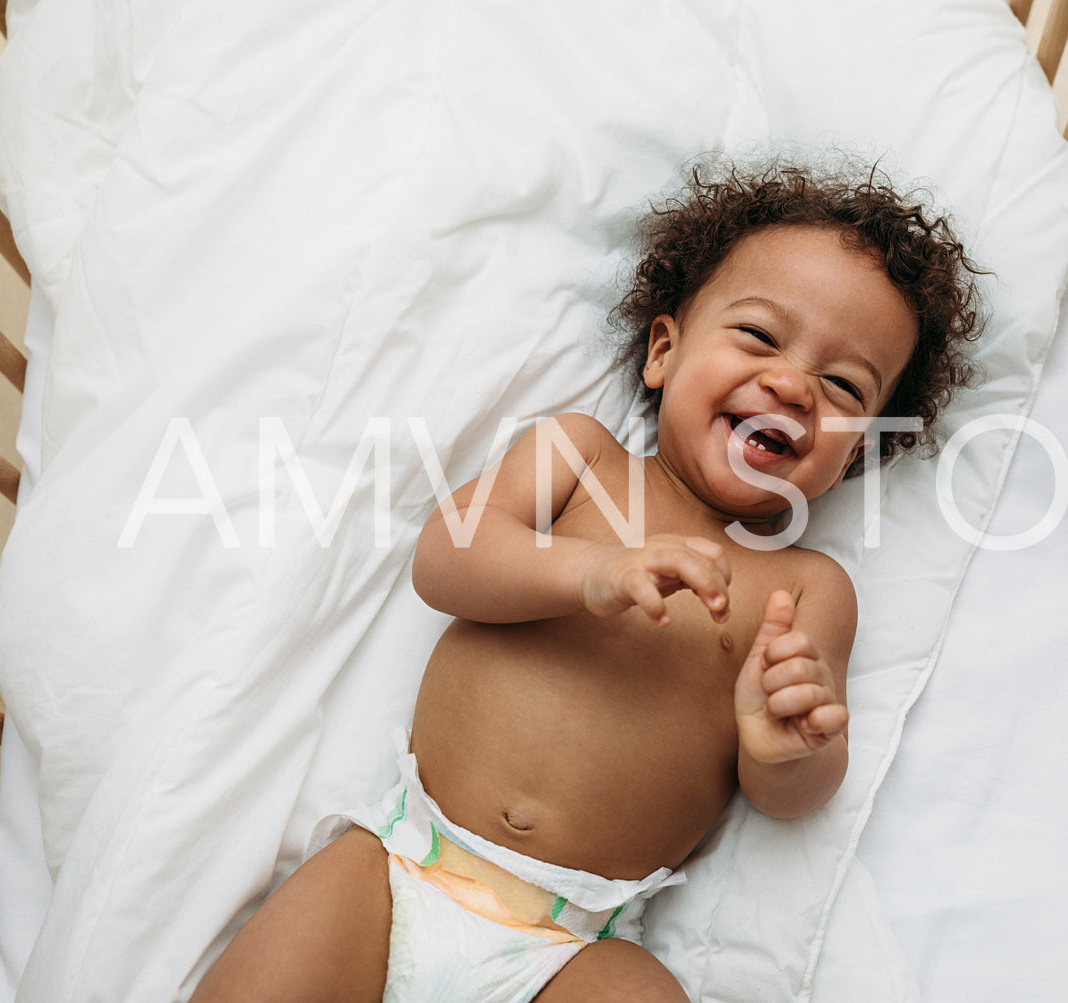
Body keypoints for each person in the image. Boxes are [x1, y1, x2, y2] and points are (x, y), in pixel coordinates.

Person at [192, 160, 984, 1003]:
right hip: (397, 864)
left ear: (855, 452)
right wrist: (590, 571)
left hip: (575, 943)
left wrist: (785, 746)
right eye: (758, 336)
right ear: (662, 352)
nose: (789, 383)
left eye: (840, 386)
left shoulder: (807, 586)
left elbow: (793, 794)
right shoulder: (577, 456)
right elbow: (447, 559)